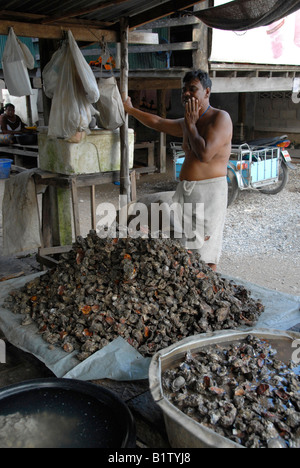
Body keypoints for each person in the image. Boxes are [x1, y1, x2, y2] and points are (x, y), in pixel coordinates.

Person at [123, 69, 233, 271]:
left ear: (207, 92)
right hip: (186, 192)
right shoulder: (188, 121)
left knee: (204, 253)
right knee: (184, 247)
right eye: (184, 90)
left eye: (193, 89)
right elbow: (158, 122)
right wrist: (131, 110)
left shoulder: (220, 119)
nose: (187, 94)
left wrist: (191, 125)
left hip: (209, 195)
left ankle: (207, 292)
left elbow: (205, 154)